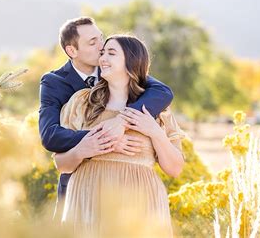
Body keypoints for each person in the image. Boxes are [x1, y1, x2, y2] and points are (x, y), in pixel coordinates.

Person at [39, 17, 175, 217]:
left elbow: (163, 92)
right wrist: (105, 141)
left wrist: (121, 121)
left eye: (100, 38)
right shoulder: (54, 82)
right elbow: (50, 136)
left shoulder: (117, 66)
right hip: (79, 187)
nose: (101, 47)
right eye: (92, 43)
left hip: (130, 196)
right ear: (72, 51)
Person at [54, 35, 185, 237]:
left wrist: (154, 131)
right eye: (102, 52)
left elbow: (175, 168)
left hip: (139, 204)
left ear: (131, 62)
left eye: (111, 53)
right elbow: (61, 164)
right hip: (89, 201)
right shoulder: (81, 103)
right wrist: (86, 148)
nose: (103, 58)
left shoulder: (157, 109)